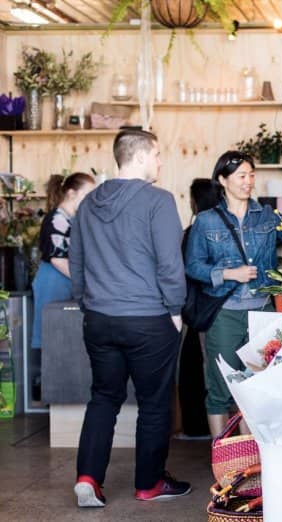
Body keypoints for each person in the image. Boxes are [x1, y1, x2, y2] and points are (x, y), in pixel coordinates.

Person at [70, 129, 189, 507]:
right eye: (157, 154)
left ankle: (88, 477)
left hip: (100, 319)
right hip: (148, 319)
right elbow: (170, 263)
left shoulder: (88, 204)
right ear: (138, 157)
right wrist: (175, 309)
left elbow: (77, 262)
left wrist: (86, 303)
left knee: (103, 397)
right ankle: (149, 484)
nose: (160, 161)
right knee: (154, 403)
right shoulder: (158, 201)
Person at [185, 150, 282, 437]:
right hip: (226, 313)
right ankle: (223, 457)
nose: (249, 181)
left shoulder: (266, 217)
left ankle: (254, 452)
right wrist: (229, 274)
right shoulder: (207, 221)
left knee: (259, 384)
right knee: (221, 387)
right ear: (223, 180)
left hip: (263, 312)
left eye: (251, 175)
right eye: (241, 176)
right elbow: (193, 266)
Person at [31, 172, 95, 351]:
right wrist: (83, 281)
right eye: (87, 195)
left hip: (66, 279)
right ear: (72, 193)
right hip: (54, 280)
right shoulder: (57, 219)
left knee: (65, 338)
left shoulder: (72, 219)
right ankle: (50, 379)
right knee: (53, 336)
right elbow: (58, 260)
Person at [178, 178, 220, 438]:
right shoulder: (223, 230)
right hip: (218, 307)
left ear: (195, 202)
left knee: (195, 367)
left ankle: (198, 427)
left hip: (197, 310)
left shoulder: (193, 232)